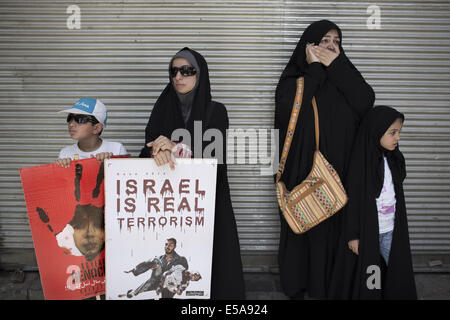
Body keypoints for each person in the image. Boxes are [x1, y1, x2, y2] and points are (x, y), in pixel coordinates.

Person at [274, 20, 375, 299]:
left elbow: (366, 100)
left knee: (336, 232)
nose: (331, 45)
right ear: (308, 46)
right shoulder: (293, 80)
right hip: (304, 173)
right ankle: (302, 286)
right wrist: (316, 68)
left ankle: (332, 286)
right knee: (306, 228)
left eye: (336, 41)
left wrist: (335, 66)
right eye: (324, 40)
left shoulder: (345, 76)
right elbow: (288, 109)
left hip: (339, 174)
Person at [139, 47, 245, 299]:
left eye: (186, 70)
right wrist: (158, 152)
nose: (178, 76)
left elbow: (215, 158)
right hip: (168, 201)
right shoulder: (161, 108)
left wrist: (176, 148)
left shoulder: (216, 111)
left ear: (200, 74)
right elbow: (145, 152)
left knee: (213, 262)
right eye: (174, 70)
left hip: (208, 201)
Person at [329, 106, 417, 299]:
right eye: (392, 133)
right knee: (372, 276)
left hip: (391, 230)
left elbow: (398, 187)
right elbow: (352, 202)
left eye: (399, 133)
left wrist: (396, 156)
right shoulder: (361, 164)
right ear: (377, 131)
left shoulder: (393, 160)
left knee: (398, 273)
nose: (397, 138)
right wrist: (353, 236)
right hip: (369, 234)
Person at [56, 97, 127, 167]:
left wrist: (110, 163)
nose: (71, 124)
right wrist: (63, 168)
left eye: (80, 119)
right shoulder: (65, 153)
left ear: (97, 128)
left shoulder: (116, 150)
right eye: (70, 118)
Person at [122, 238, 189, 299]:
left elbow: (186, 274)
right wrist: (134, 270)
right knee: (156, 261)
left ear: (174, 247)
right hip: (156, 281)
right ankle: (132, 293)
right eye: (166, 244)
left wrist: (181, 287)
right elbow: (147, 263)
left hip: (170, 283)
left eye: (170, 245)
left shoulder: (181, 259)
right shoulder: (159, 258)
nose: (167, 247)